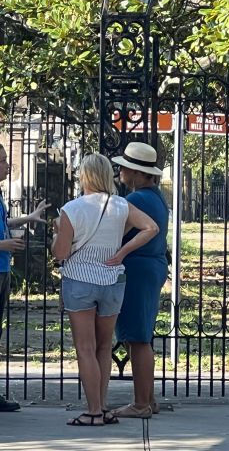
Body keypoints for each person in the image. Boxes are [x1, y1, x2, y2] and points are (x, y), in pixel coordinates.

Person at [52, 154, 158, 426]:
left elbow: (61, 253)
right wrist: (122, 251)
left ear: (84, 176)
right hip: (112, 280)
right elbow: (151, 228)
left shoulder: (71, 209)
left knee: (85, 348)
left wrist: (57, 234)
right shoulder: (121, 205)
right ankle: (101, 406)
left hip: (80, 281)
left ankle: (94, 411)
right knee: (103, 347)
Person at [110, 142, 169, 419]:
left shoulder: (136, 201)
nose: (120, 170)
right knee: (141, 335)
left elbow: (115, 233)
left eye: (125, 166)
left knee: (137, 338)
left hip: (137, 269)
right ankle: (149, 399)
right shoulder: (155, 196)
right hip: (151, 266)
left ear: (137, 172)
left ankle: (140, 404)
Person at [0, 143, 50, 412]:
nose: (8, 165)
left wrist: (28, 218)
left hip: (2, 270)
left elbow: (3, 224)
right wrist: (2, 246)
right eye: (4, 161)